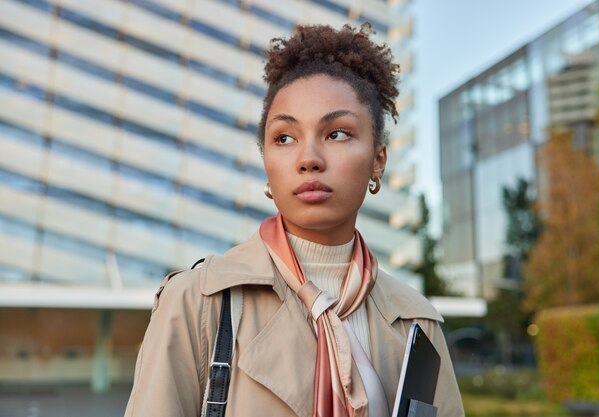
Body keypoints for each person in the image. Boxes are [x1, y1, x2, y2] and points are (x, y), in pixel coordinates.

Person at [124, 23, 464, 417]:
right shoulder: (198, 303)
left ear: (378, 160)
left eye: (337, 133)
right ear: (266, 163)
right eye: (284, 138)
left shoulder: (416, 324)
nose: (308, 158)